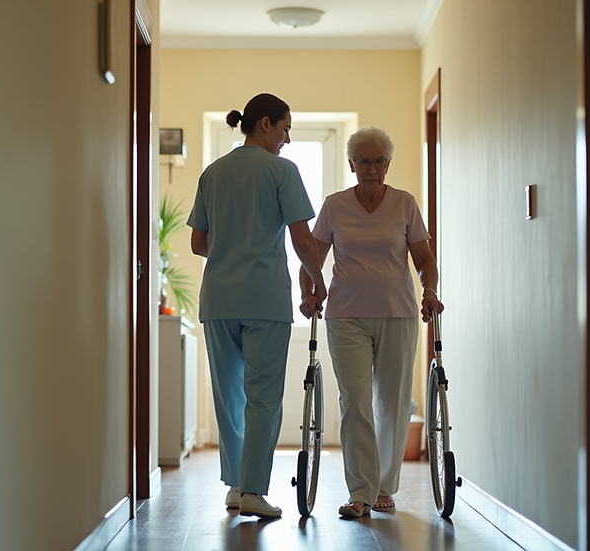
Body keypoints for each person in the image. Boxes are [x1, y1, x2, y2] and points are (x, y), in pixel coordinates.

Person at [187, 93, 327, 519]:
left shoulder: (212, 173)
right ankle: (252, 490)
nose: (287, 139)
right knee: (263, 397)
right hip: (264, 298)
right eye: (285, 129)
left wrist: (231, 247)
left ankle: (235, 487)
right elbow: (303, 239)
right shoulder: (282, 171)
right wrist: (318, 281)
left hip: (218, 300)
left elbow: (198, 243)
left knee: (229, 398)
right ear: (264, 124)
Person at [298, 126, 444, 518]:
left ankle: (384, 486)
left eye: (380, 161)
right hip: (346, 314)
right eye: (364, 161)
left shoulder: (404, 204)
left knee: (393, 402)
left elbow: (424, 259)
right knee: (356, 400)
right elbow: (313, 256)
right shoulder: (335, 205)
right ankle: (361, 491)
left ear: (388, 164)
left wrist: (429, 290)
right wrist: (309, 291)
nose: (373, 169)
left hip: (398, 312)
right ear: (352, 164)